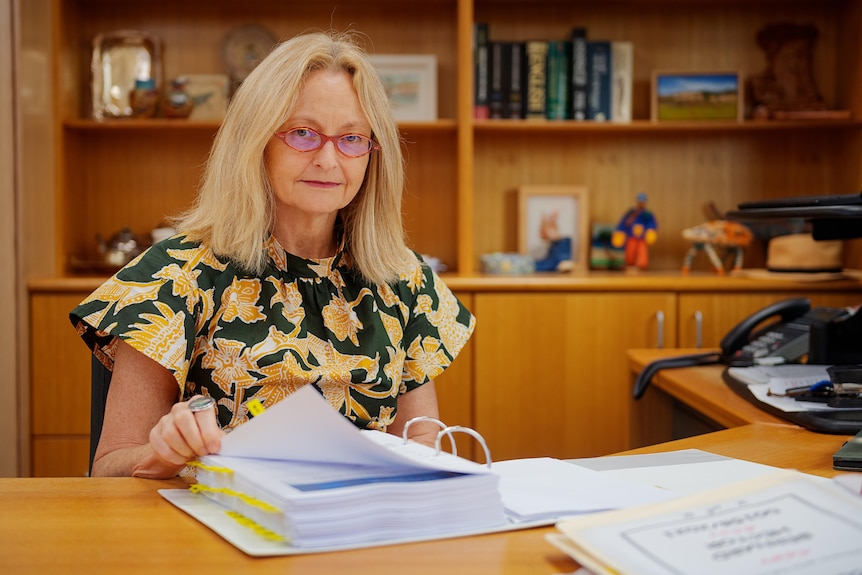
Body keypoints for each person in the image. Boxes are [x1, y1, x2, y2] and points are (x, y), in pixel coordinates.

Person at [69, 30, 475, 479]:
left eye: (352, 138)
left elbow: (418, 440)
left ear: (372, 153)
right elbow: (107, 469)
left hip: (362, 528)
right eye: (303, 133)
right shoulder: (176, 276)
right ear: (255, 141)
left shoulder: (404, 278)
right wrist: (165, 455)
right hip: (224, 531)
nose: (328, 159)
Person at [611, 192, 658, 270]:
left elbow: (652, 223)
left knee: (642, 252)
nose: (641, 203)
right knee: (630, 251)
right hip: (631, 236)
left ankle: (641, 266)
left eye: (642, 202)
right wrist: (620, 231)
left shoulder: (647, 214)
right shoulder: (631, 213)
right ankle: (630, 264)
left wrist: (650, 231)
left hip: (642, 238)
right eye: (639, 201)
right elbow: (623, 222)